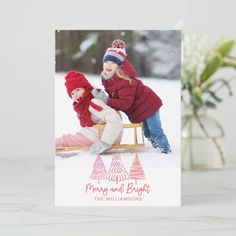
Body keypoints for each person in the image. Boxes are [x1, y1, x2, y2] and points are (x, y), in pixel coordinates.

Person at [92, 39, 171, 154]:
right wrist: (104, 98)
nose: (108, 65)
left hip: (150, 104)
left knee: (155, 131)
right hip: (140, 108)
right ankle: (156, 147)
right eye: (106, 62)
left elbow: (125, 103)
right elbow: (115, 96)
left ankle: (165, 150)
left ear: (119, 66)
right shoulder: (108, 78)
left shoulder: (125, 80)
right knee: (147, 132)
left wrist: (106, 100)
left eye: (113, 63)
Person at [55, 70, 123, 155]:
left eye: (78, 90)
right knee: (68, 139)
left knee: (67, 140)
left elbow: (115, 119)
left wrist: (104, 142)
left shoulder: (93, 103)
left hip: (99, 137)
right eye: (72, 93)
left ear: (85, 88)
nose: (75, 95)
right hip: (94, 135)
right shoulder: (83, 107)